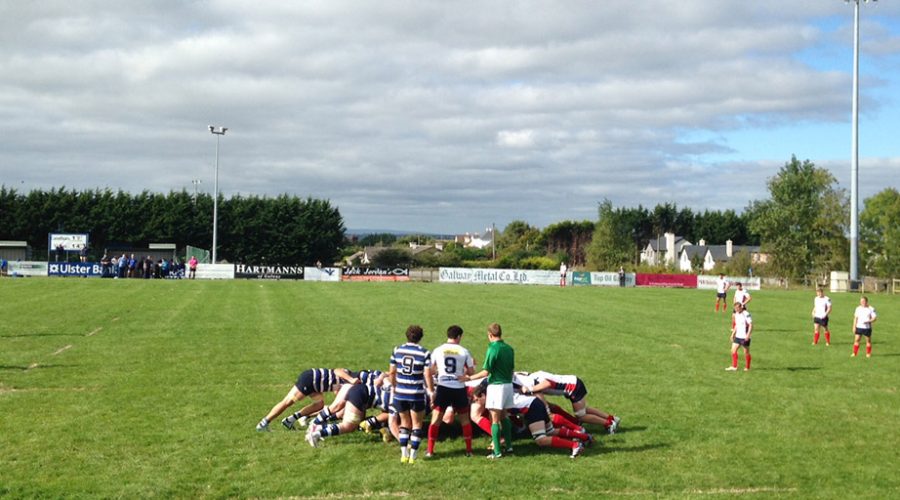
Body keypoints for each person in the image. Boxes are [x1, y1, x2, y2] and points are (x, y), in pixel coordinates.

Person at [460, 322, 515, 459]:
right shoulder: (509, 348)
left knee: (495, 419)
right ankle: (509, 446)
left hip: (497, 386)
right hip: (508, 385)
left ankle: (497, 452)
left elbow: (485, 372)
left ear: (490, 335)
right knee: (504, 416)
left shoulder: (493, 349)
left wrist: (469, 378)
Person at [426, 325, 476, 458]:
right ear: (459, 337)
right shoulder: (464, 351)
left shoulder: (438, 350)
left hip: (443, 387)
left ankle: (430, 451)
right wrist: (464, 372)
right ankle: (469, 451)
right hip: (458, 388)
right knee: (465, 420)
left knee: (436, 419)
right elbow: (471, 372)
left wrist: (438, 372)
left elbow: (430, 370)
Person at [256, 368, 358, 431]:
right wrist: (351, 379)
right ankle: (263, 423)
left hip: (315, 386)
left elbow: (337, 391)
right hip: (310, 380)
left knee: (320, 405)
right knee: (287, 402)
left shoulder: (347, 384)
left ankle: (289, 420)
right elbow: (337, 370)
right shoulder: (349, 375)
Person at [517, 370, 620, 433]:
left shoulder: (535, 381)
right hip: (574, 384)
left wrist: (531, 389)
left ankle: (608, 423)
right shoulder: (532, 376)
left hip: (573, 387)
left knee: (581, 415)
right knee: (584, 410)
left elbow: (548, 383)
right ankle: (612, 418)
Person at [389, 325, 434, 464]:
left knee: (404, 423)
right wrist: (431, 391)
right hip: (416, 394)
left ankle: (404, 454)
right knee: (417, 424)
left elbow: (392, 372)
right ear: (420, 337)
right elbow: (427, 374)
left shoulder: (397, 350)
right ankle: (413, 455)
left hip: (400, 393)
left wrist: (394, 386)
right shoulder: (424, 353)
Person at [727, 303, 752, 371]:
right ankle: (734, 366)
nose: (736, 309)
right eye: (735, 308)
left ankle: (747, 367)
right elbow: (736, 325)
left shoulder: (746, 314)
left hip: (744, 336)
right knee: (733, 350)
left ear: (741, 307)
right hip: (738, 336)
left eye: (737, 308)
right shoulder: (736, 314)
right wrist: (733, 334)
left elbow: (750, 325)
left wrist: (748, 335)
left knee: (746, 352)